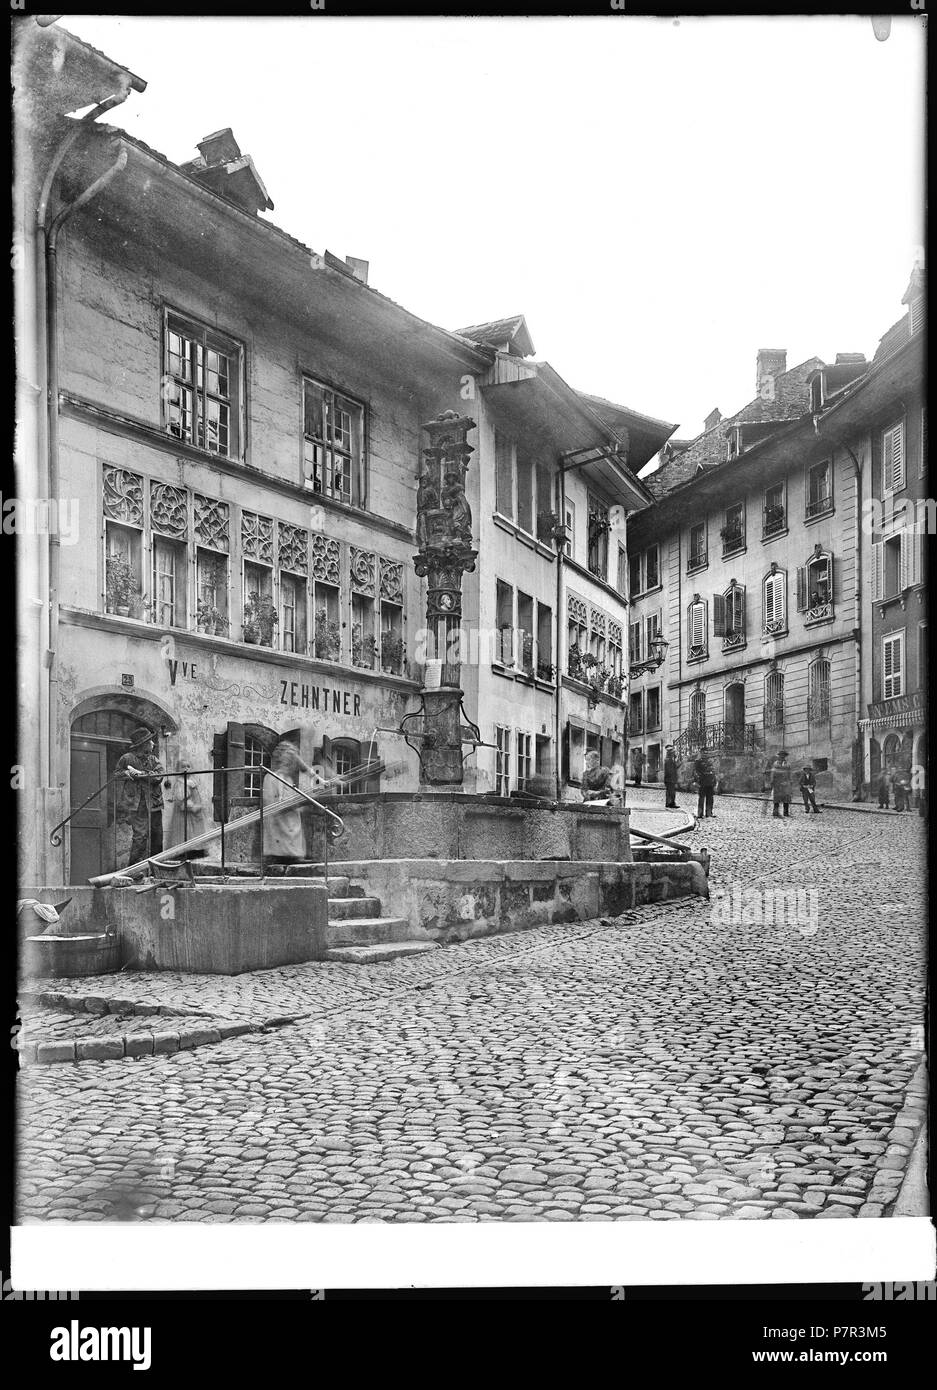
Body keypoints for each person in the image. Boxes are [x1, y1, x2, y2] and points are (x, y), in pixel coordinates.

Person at [262, 739, 318, 863]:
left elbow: (303, 767)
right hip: (279, 821)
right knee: (284, 829)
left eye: (291, 763)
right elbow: (275, 805)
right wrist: (295, 803)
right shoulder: (272, 778)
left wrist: (300, 804)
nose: (291, 766)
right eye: (287, 762)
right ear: (281, 761)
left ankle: (293, 855)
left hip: (290, 818)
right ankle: (282, 855)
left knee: (294, 826)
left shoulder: (287, 779)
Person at [116, 727, 164, 866]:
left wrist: (140, 774)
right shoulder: (127, 758)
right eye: (151, 742)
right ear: (144, 744)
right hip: (136, 804)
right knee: (140, 837)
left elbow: (159, 777)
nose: (153, 744)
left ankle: (158, 867)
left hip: (154, 804)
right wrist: (126, 773)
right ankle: (134, 869)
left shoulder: (154, 760)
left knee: (157, 835)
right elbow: (116, 774)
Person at [163, 761, 208, 849]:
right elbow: (180, 797)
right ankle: (186, 850)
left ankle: (196, 849)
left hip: (194, 811)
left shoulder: (193, 781)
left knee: (195, 831)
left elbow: (198, 795)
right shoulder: (180, 782)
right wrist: (189, 805)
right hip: (184, 812)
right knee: (185, 831)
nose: (186, 769)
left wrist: (198, 805)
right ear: (179, 769)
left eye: (188, 766)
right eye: (183, 767)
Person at [693, 751, 716, 819]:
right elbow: (695, 772)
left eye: (707, 753)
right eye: (704, 753)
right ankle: (700, 813)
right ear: (701, 754)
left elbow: (713, 772)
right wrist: (697, 781)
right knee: (702, 798)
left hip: (710, 782)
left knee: (710, 798)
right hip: (702, 782)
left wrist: (714, 781)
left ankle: (709, 813)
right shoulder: (698, 762)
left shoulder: (710, 761)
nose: (706, 754)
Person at [771, 750, 793, 818]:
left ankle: (786, 812)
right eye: (781, 755)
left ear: (785, 756)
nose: (782, 756)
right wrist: (772, 780)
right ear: (779, 756)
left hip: (785, 782)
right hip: (777, 782)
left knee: (786, 797)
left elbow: (790, 772)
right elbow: (773, 772)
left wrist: (791, 780)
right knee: (776, 797)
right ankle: (775, 812)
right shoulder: (775, 763)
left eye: (783, 755)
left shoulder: (788, 764)